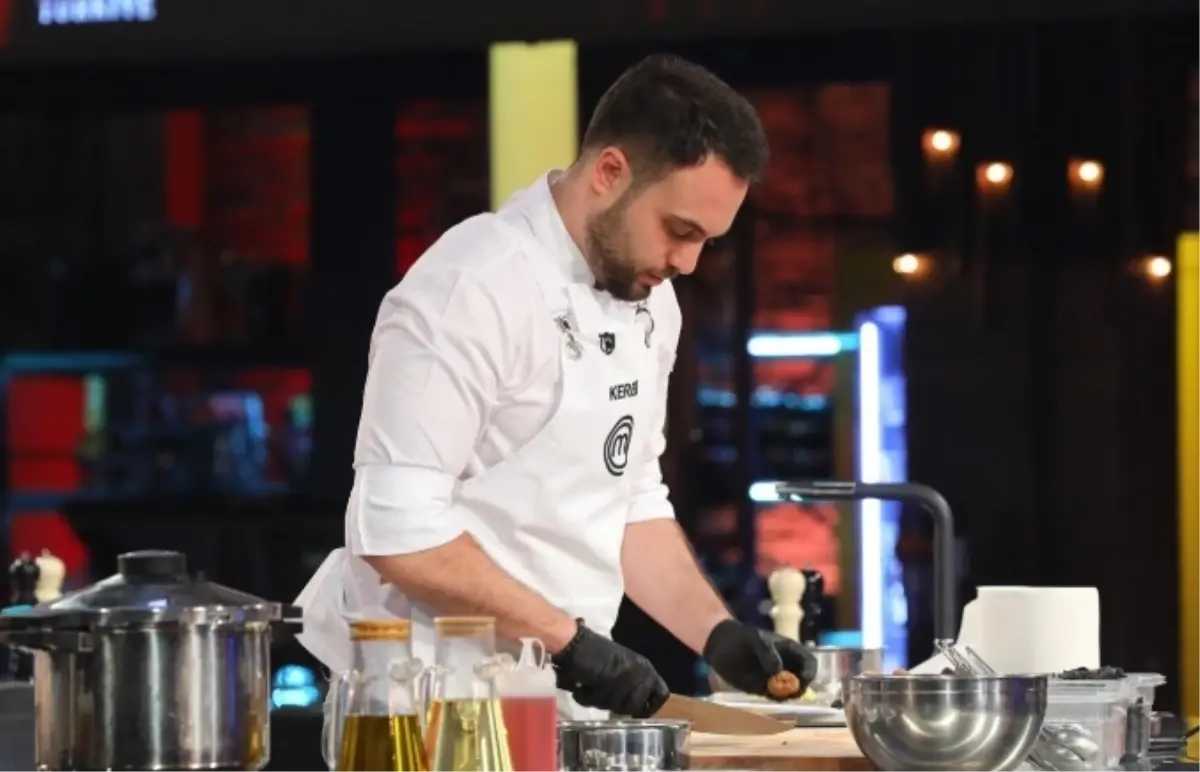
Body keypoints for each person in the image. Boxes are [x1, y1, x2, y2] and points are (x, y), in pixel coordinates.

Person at [296, 54, 819, 719]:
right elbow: (398, 532)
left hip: (559, 704)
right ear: (609, 172)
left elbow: (628, 496)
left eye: (706, 243)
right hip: (427, 707)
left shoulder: (651, 302)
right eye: (679, 230)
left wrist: (716, 635)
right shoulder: (470, 288)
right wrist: (569, 643)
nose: (687, 262)